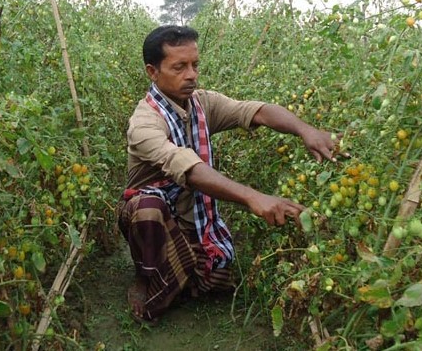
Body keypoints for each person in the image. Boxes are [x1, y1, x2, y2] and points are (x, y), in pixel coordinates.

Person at [118, 25, 345, 325]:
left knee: (216, 280)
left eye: (195, 65)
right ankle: (145, 276)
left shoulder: (202, 104)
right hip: (149, 213)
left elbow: (255, 111)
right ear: (152, 71)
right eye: (179, 67)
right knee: (148, 210)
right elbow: (188, 168)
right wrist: (252, 197)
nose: (191, 75)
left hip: (189, 215)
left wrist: (306, 130)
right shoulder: (144, 123)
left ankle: (178, 267)